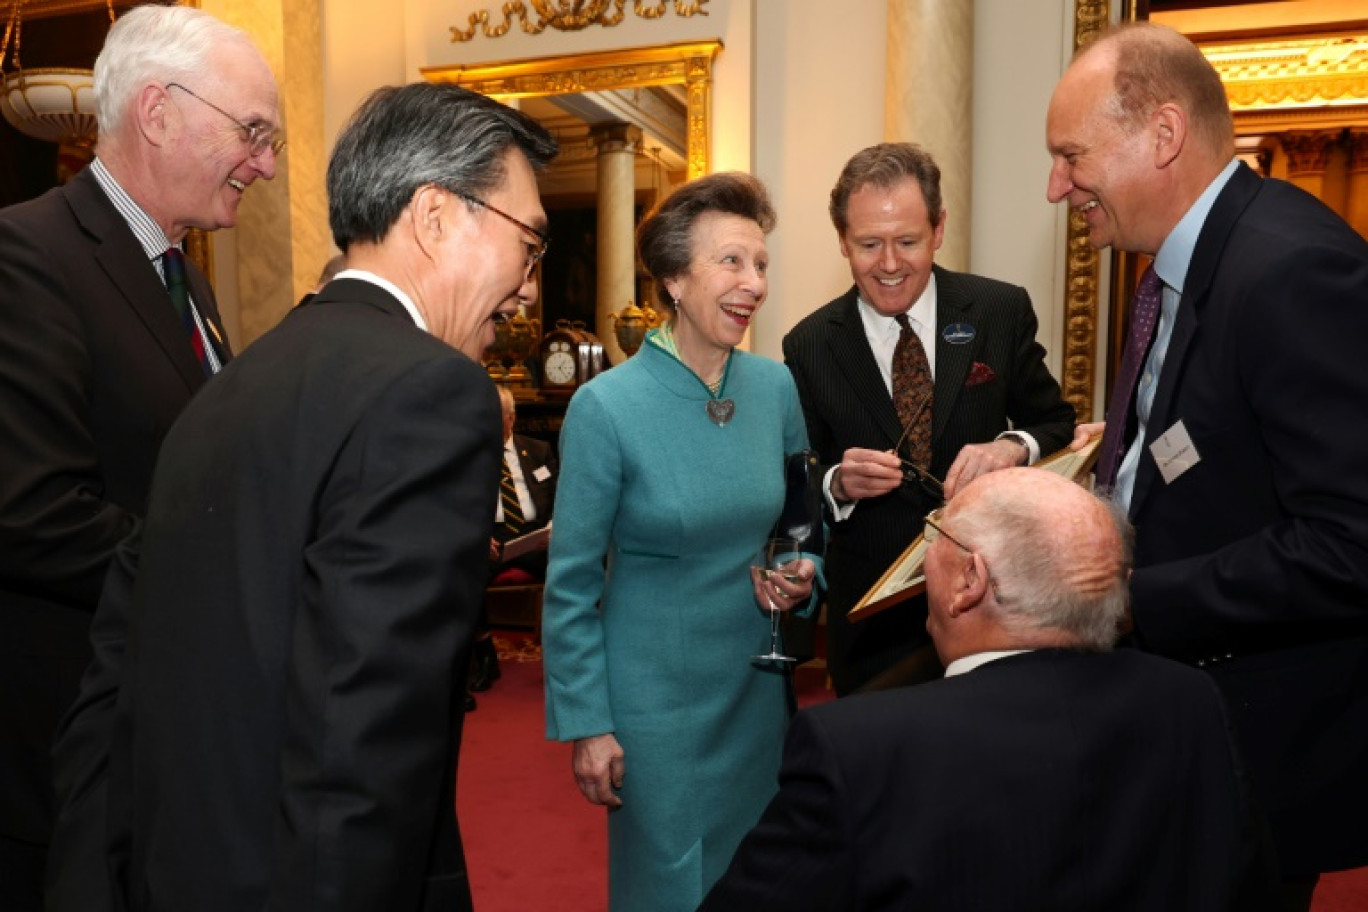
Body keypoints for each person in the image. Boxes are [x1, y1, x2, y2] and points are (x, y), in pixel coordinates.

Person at [45, 81, 557, 912]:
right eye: (528, 244)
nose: (529, 287)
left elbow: (118, 676)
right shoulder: (431, 393)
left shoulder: (228, 385)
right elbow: (363, 742)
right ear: (434, 217)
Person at [1047, 23, 1368, 910]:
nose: (1055, 187)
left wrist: (1131, 598)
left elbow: (1352, 542)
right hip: (1187, 728)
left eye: (1071, 156)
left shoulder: (1293, 270)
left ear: (1162, 135)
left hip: (1255, 750)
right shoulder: (1189, 265)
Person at [702, 468, 1277, 911]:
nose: (924, 557)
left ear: (969, 582)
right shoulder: (1188, 699)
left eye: (934, 534)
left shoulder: (858, 745)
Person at [0, 6, 279, 907]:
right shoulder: (25, 257)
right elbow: (30, 512)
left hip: (152, 728)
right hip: (57, 748)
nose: (265, 164)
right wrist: (233, 573)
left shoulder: (182, 275)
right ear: (158, 112)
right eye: (254, 133)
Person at [542, 172, 819, 911]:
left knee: (758, 877)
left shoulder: (775, 389)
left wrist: (799, 568)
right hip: (654, 705)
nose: (753, 283)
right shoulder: (606, 408)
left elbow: (796, 517)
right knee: (671, 886)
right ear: (672, 277)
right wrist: (588, 723)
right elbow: (570, 583)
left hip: (756, 691)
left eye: (760, 263)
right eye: (731, 261)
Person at [783, 142, 1076, 696]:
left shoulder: (998, 311)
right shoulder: (810, 343)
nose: (889, 264)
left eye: (908, 242)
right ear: (842, 241)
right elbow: (797, 475)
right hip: (870, 627)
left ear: (938, 229)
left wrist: (1012, 447)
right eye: (869, 244)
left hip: (995, 604)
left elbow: (1056, 423)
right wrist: (836, 482)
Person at [468, 384, 558, 699]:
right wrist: (478, 536)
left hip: (537, 536)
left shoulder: (538, 451)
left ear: (512, 418)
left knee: (578, 568)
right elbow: (459, 506)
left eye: (500, 417)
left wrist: (552, 528)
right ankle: (485, 653)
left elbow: (562, 496)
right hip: (494, 538)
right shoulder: (470, 457)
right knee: (464, 574)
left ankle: (567, 656)